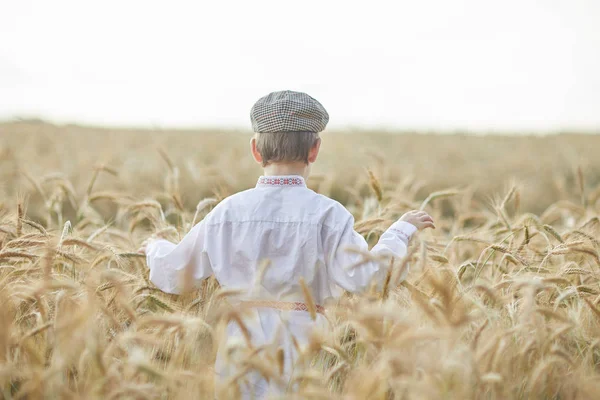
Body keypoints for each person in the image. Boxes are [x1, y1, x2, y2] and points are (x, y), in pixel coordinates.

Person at [140, 90, 435, 398]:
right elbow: (370, 279)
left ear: (256, 150)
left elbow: (173, 274)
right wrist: (400, 232)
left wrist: (154, 247)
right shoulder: (329, 215)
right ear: (315, 150)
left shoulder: (226, 212)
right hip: (307, 347)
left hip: (239, 348)